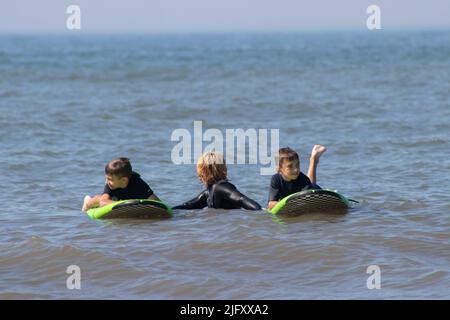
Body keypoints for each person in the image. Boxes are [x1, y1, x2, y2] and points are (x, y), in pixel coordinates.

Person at [173, 152, 261, 210]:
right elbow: (189, 205)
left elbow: (241, 199)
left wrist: (259, 210)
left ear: (203, 171)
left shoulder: (222, 187)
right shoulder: (209, 192)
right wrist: (170, 210)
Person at [82, 157, 160, 212]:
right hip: (114, 200)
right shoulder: (110, 186)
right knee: (99, 199)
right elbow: (103, 202)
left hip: (131, 201)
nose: (107, 181)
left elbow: (155, 201)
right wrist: (125, 205)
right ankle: (88, 202)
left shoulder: (138, 183)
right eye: (107, 178)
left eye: (110, 179)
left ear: (123, 180)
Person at [267, 145, 326, 210]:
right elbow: (271, 204)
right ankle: (314, 159)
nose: (296, 169)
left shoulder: (303, 179)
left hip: (314, 190)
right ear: (279, 169)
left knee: (312, 184)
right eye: (290, 166)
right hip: (290, 201)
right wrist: (285, 205)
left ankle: (314, 159)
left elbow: (307, 200)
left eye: (297, 164)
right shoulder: (276, 179)